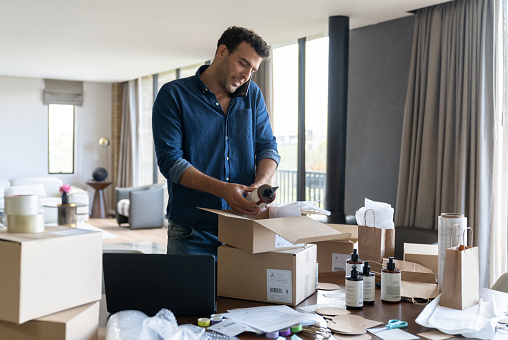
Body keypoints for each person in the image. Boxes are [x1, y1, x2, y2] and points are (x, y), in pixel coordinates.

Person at [152, 26, 280, 257]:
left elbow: (267, 147)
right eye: (243, 63)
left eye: (253, 69)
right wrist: (223, 191)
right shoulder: (173, 95)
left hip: (243, 229)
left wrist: (259, 186)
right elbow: (171, 162)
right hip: (192, 232)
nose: (246, 76)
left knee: (241, 295)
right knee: (189, 295)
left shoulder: (253, 95)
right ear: (222, 51)